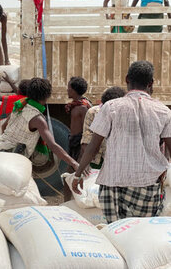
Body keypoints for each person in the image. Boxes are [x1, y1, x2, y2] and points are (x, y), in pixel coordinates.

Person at [72, 61, 171, 223]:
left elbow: (93, 147)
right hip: (147, 184)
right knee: (140, 232)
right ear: (151, 83)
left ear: (127, 79)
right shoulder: (164, 111)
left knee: (116, 231)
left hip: (112, 183)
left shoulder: (110, 107)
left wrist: (78, 175)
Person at [0, 78, 79, 171]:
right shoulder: (38, 118)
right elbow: (52, 145)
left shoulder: (19, 106)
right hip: (11, 160)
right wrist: (73, 162)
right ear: (46, 96)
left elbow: (4, 126)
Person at [79, 86, 126, 169]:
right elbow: (86, 140)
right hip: (97, 162)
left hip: (118, 162)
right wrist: (85, 164)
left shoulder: (125, 114)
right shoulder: (93, 113)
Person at [63, 76, 92, 201]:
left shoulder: (83, 107)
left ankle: (69, 201)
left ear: (74, 90)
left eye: (69, 88)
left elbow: (87, 131)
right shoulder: (76, 105)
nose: (67, 90)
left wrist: (82, 153)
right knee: (70, 175)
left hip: (79, 143)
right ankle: (69, 201)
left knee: (70, 175)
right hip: (74, 141)